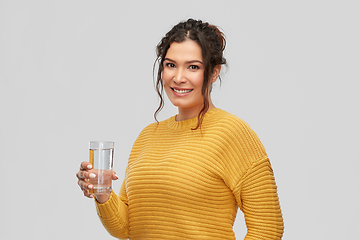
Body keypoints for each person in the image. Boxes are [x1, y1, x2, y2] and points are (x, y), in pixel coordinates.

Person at [76, 18, 284, 239]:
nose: (178, 77)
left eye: (193, 67)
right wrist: (103, 192)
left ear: (214, 73)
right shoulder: (148, 136)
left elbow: (268, 228)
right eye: (171, 65)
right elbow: (126, 227)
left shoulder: (232, 132)